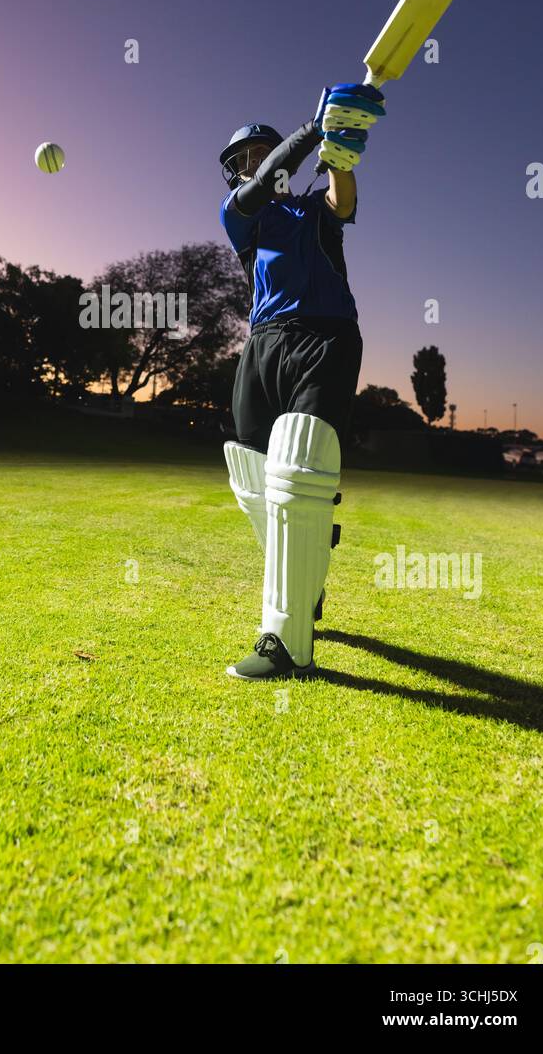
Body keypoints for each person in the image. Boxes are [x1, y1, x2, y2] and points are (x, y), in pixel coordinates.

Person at [218, 83, 385, 679]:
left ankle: (286, 642)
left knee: (299, 464)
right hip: (263, 342)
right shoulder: (241, 213)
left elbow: (341, 201)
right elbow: (263, 183)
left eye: (258, 154)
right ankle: (308, 569)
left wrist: (339, 154)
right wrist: (313, 128)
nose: (253, 166)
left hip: (326, 335)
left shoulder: (314, 209)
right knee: (250, 473)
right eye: (243, 160)